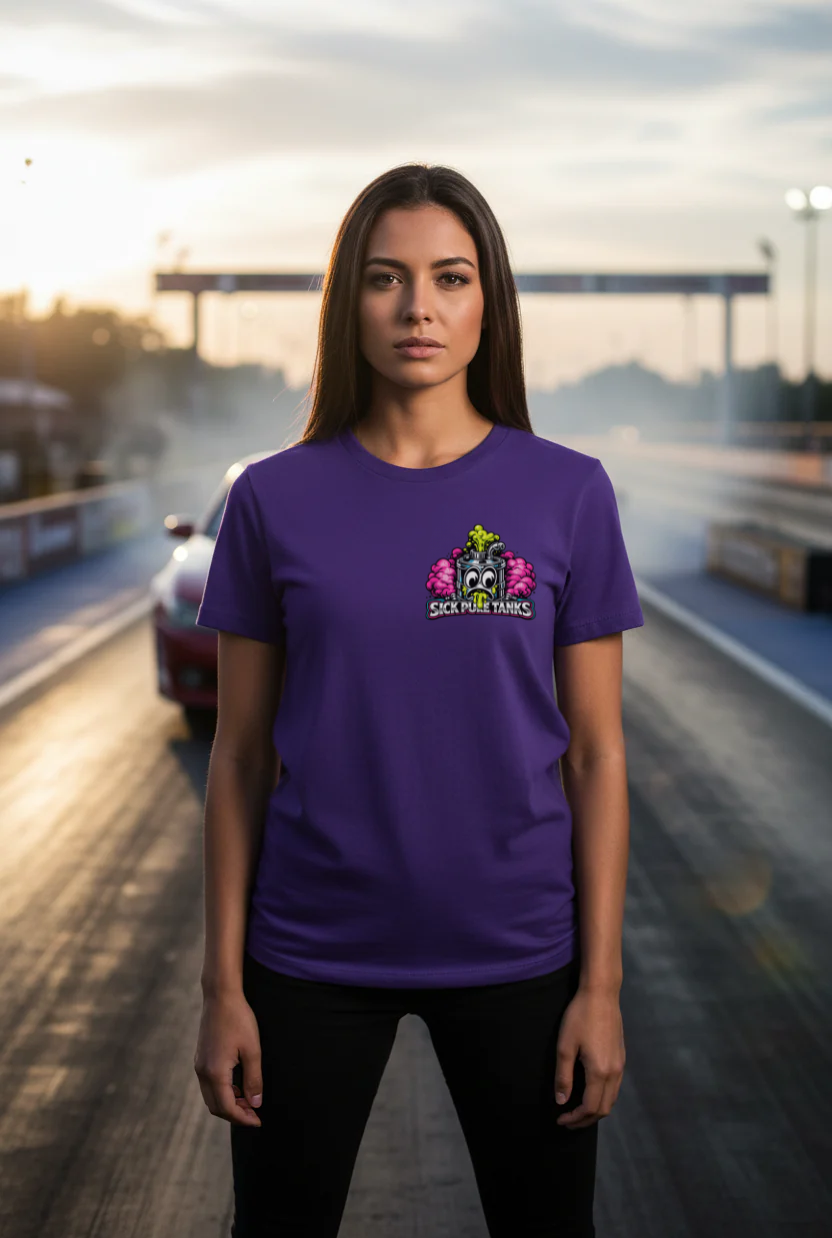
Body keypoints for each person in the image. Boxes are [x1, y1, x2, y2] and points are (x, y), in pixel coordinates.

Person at [193, 162, 645, 1238]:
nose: (418, 308)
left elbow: (597, 756)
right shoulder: (270, 499)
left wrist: (602, 984)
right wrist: (221, 986)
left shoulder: (568, 491)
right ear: (347, 299)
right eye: (386, 278)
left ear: (490, 300)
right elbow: (240, 757)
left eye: (449, 276)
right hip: (307, 954)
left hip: (520, 953)